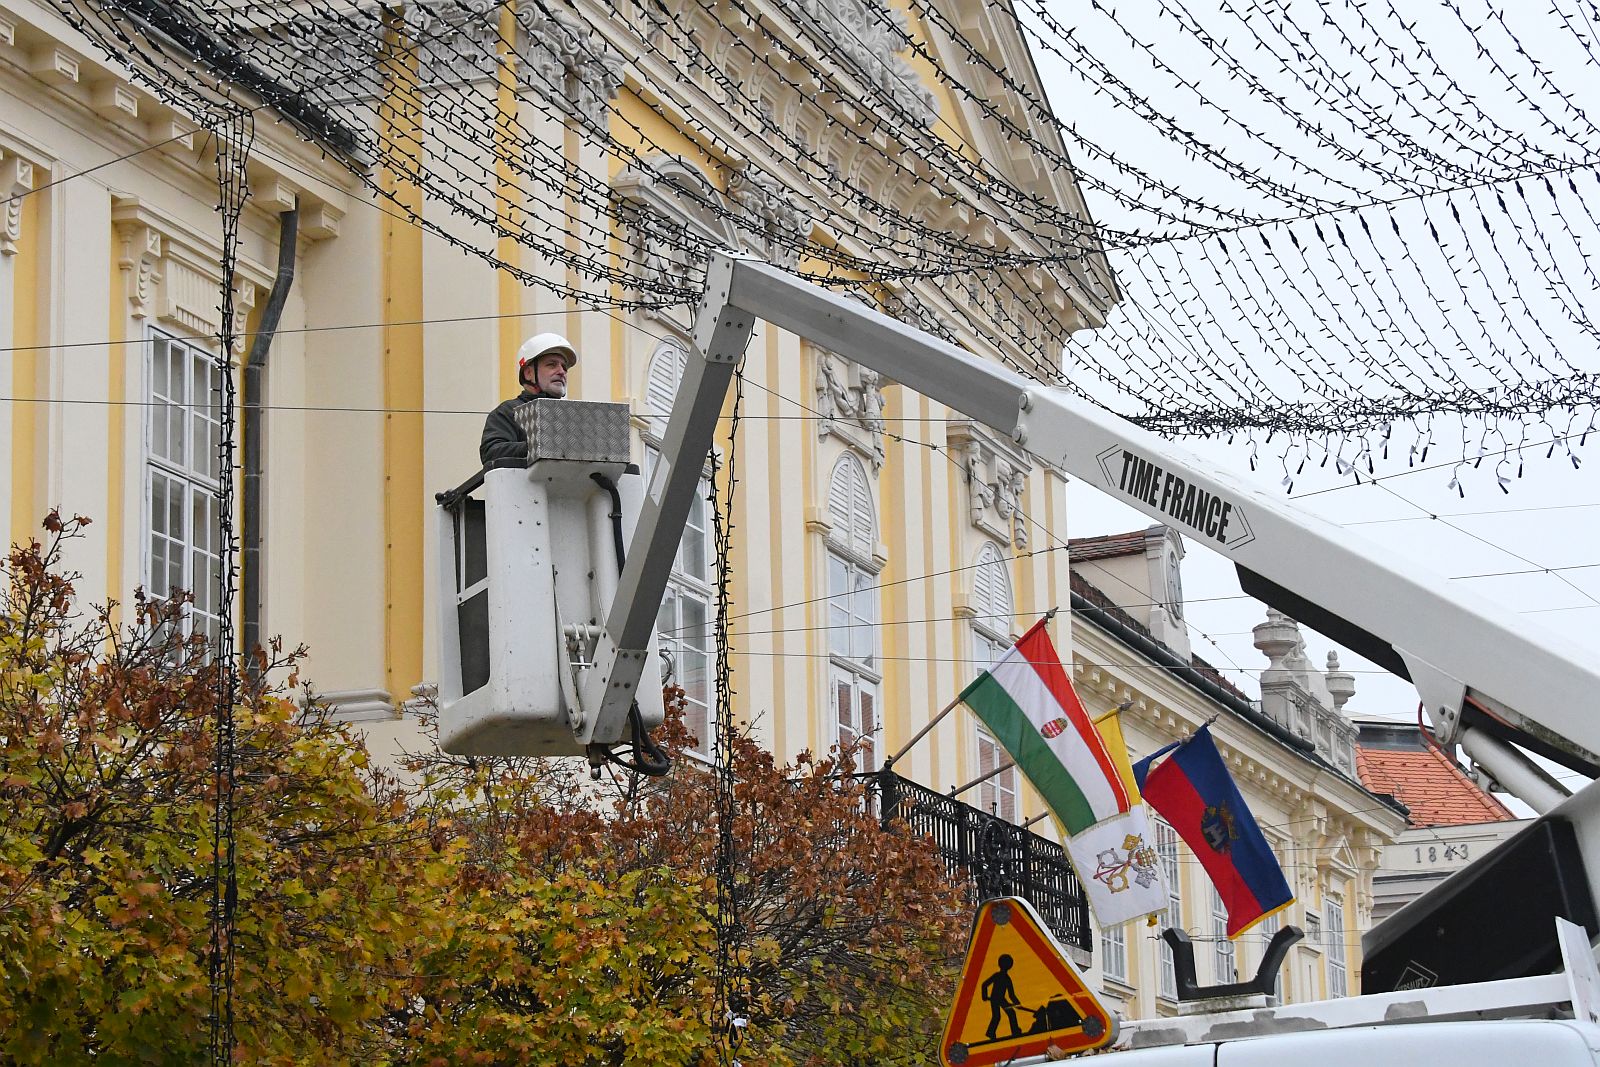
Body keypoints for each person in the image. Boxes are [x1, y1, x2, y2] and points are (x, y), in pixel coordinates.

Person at [480, 333, 576, 465]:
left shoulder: (572, 416)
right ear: (529, 373)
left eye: (564, 367)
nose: (561, 371)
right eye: (552, 365)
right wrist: (538, 447)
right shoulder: (509, 412)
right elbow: (492, 452)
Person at [981, 953, 1022, 1041]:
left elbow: (1011, 994)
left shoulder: (1007, 978)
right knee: (997, 1016)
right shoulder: (1000, 976)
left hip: (1001, 999)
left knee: (1011, 1013)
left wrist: (1017, 1003)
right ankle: (991, 1033)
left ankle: (1014, 1031)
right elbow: (984, 985)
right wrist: (984, 996)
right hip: (995, 999)